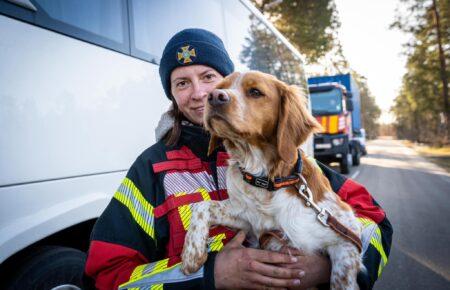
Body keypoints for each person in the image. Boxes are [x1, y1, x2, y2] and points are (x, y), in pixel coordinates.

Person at [85, 28, 393, 290]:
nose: (201, 93)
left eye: (209, 78)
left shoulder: (291, 165)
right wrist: (210, 275)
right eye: (182, 83)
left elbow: (375, 226)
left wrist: (324, 268)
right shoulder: (151, 168)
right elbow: (109, 277)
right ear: (173, 96)